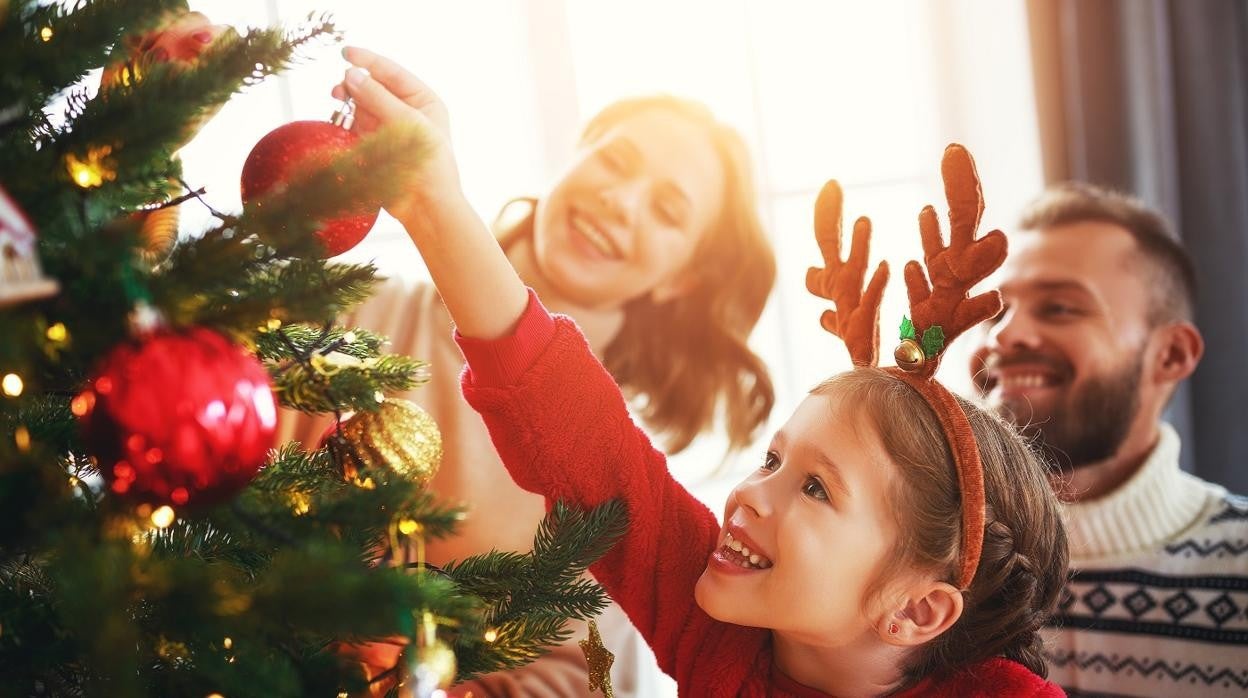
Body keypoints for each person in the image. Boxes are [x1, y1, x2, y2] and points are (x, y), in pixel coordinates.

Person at [341, 48, 1070, 696]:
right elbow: (570, 426)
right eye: (773, 460)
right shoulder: (711, 623)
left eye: (815, 488)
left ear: (915, 608)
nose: (748, 496)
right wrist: (435, 203)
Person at [304, 47, 777, 696]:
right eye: (615, 161)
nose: (621, 201)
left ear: (685, 278)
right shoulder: (364, 310)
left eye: (667, 210)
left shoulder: (608, 482)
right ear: (574, 156)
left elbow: (573, 682)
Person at [970, 182, 1248, 697]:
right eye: (995, 311)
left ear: (1169, 355)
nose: (1001, 337)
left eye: (1059, 308)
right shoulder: (933, 568)